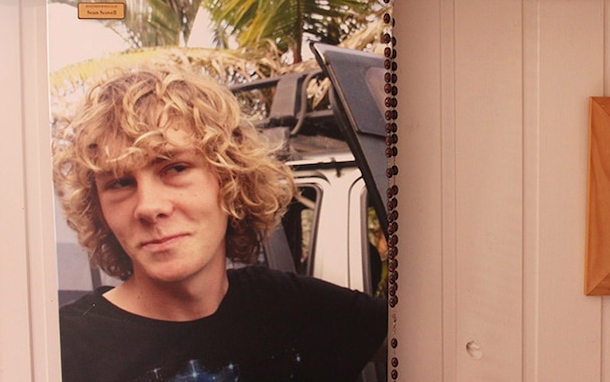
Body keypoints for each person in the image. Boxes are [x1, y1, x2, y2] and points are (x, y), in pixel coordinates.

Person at [53, 65, 387, 382]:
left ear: (229, 180)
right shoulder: (60, 351)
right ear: (99, 211)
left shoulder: (291, 308)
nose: (149, 207)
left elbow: (431, 341)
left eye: (175, 168)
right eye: (120, 184)